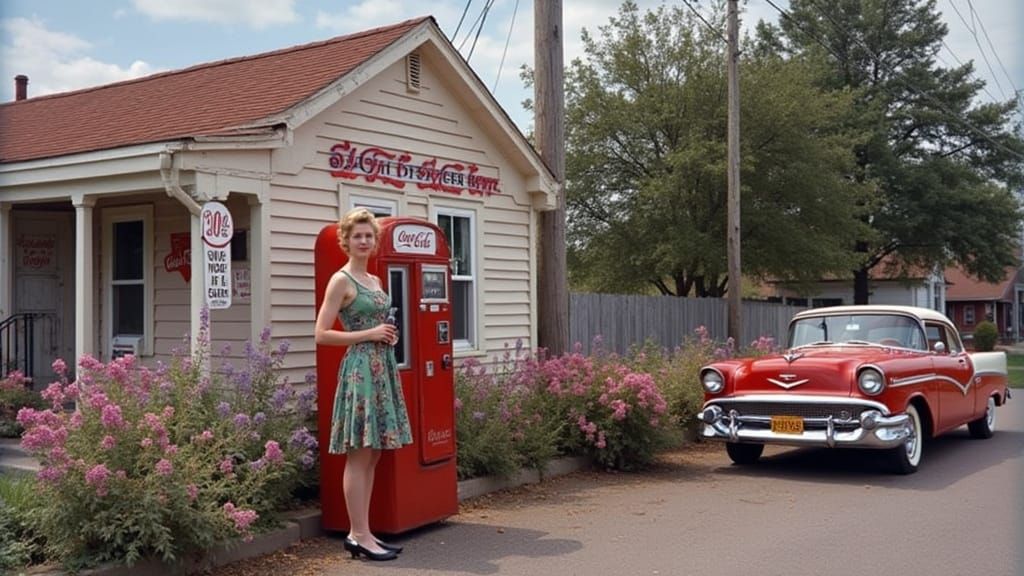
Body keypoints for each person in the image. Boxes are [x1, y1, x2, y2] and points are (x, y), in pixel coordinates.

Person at [315, 208, 413, 562]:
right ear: (346, 240)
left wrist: (387, 335)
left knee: (372, 453)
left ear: (375, 241)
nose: (363, 241)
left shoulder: (376, 280)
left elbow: (380, 321)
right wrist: (371, 333)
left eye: (368, 236)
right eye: (357, 235)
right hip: (360, 370)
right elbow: (321, 334)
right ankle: (356, 535)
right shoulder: (341, 280)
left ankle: (367, 532)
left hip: (381, 366)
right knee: (359, 454)